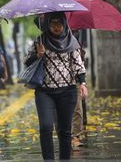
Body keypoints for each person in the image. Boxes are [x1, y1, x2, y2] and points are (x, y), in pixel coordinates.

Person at [32, 12, 88, 160]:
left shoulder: (72, 41)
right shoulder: (40, 40)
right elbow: (27, 62)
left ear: (64, 24)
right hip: (44, 91)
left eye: (59, 23)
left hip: (67, 91)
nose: (56, 27)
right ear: (48, 24)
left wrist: (82, 83)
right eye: (53, 23)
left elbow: (78, 65)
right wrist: (37, 55)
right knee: (45, 127)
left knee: (64, 131)